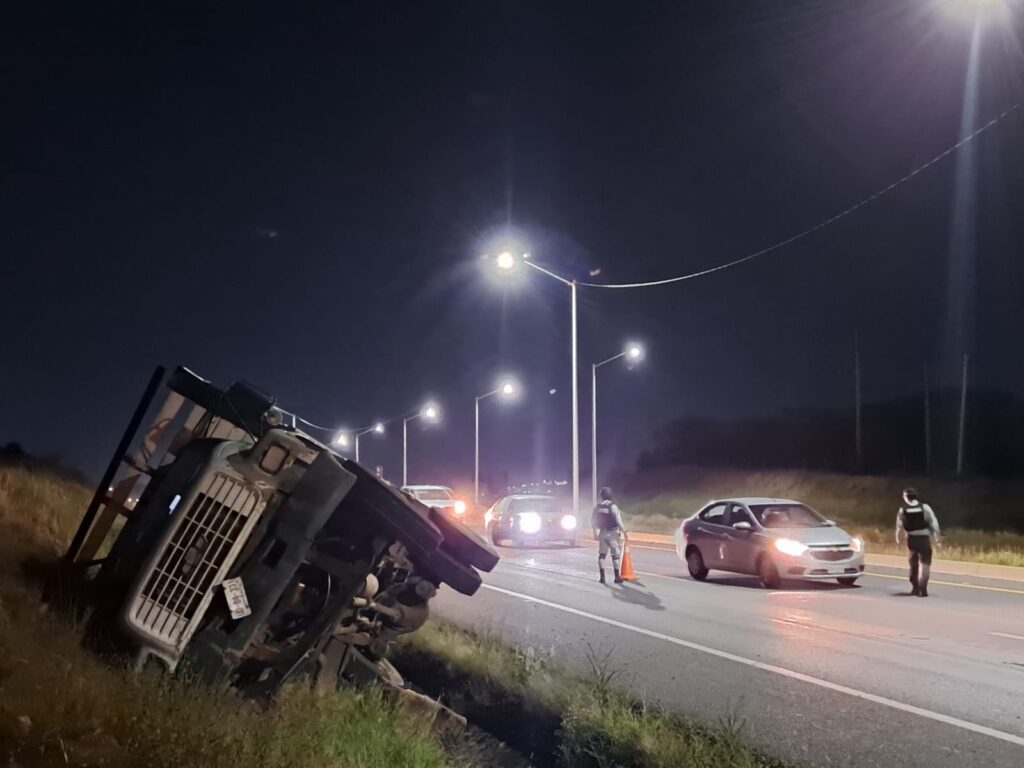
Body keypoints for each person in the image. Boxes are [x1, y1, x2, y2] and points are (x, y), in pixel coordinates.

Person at [895, 487, 941, 597]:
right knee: (925, 564)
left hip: (912, 540)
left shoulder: (903, 509)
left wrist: (898, 539)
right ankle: (923, 587)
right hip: (924, 539)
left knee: (913, 565)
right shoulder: (925, 507)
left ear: (906, 497)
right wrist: (937, 539)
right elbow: (934, 523)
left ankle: (915, 587)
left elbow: (899, 526)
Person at [592, 486, 627, 584]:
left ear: (601, 496)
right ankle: (616, 577)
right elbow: (618, 521)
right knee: (615, 555)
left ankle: (602, 577)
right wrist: (624, 531)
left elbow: (593, 521)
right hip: (612, 533)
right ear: (610, 495)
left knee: (602, 555)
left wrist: (595, 532)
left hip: (602, 532)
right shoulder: (613, 507)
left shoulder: (597, 507)